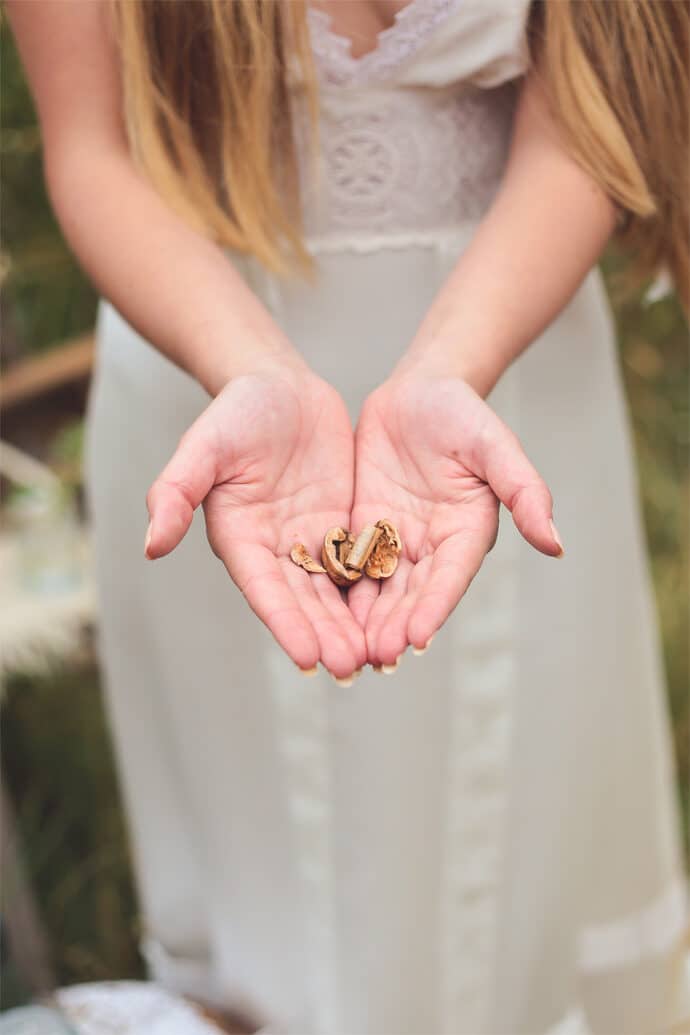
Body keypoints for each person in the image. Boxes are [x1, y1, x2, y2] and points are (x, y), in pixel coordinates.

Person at [7, 1, 688, 1032]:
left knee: (529, 857)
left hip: (506, 364)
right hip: (217, 391)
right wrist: (250, 371)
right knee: (275, 880)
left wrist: (454, 366)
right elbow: (94, 150)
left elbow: (589, 120)